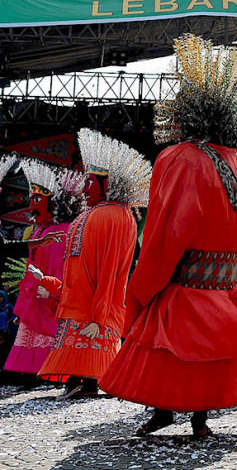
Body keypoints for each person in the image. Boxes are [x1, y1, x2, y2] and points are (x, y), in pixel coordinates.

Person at [100, 34, 237, 439]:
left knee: (171, 353)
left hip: (185, 288)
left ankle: (163, 411)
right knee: (210, 359)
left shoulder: (180, 159)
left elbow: (166, 232)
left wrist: (144, 286)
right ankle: (200, 419)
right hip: (227, 291)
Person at [37, 129, 152, 398]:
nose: (83, 189)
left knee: (92, 350)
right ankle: (82, 380)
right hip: (79, 300)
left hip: (96, 305)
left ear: (107, 185)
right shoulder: (98, 215)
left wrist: (99, 317)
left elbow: (111, 269)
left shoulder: (116, 216)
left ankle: (89, 381)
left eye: (90, 182)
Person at [4, 161, 84, 380]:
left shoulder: (63, 231)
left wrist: (52, 290)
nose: (31, 206)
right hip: (37, 294)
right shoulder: (43, 229)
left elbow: (62, 267)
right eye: (31, 199)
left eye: (37, 199)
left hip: (49, 294)